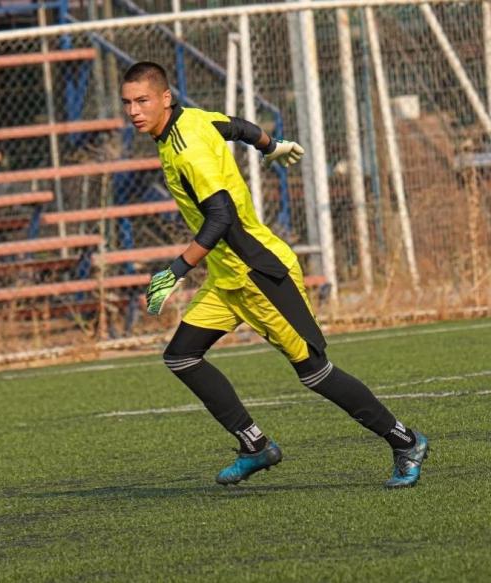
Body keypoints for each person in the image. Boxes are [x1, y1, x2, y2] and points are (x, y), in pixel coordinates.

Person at [120, 62, 429, 489]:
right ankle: (255, 446)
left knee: (316, 373)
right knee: (181, 356)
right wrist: (271, 145)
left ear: (165, 98)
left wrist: (177, 269)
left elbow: (221, 217)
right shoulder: (189, 118)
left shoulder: (186, 148)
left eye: (143, 100)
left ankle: (405, 441)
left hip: (260, 274)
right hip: (228, 278)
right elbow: (235, 126)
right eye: (128, 103)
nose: (134, 110)